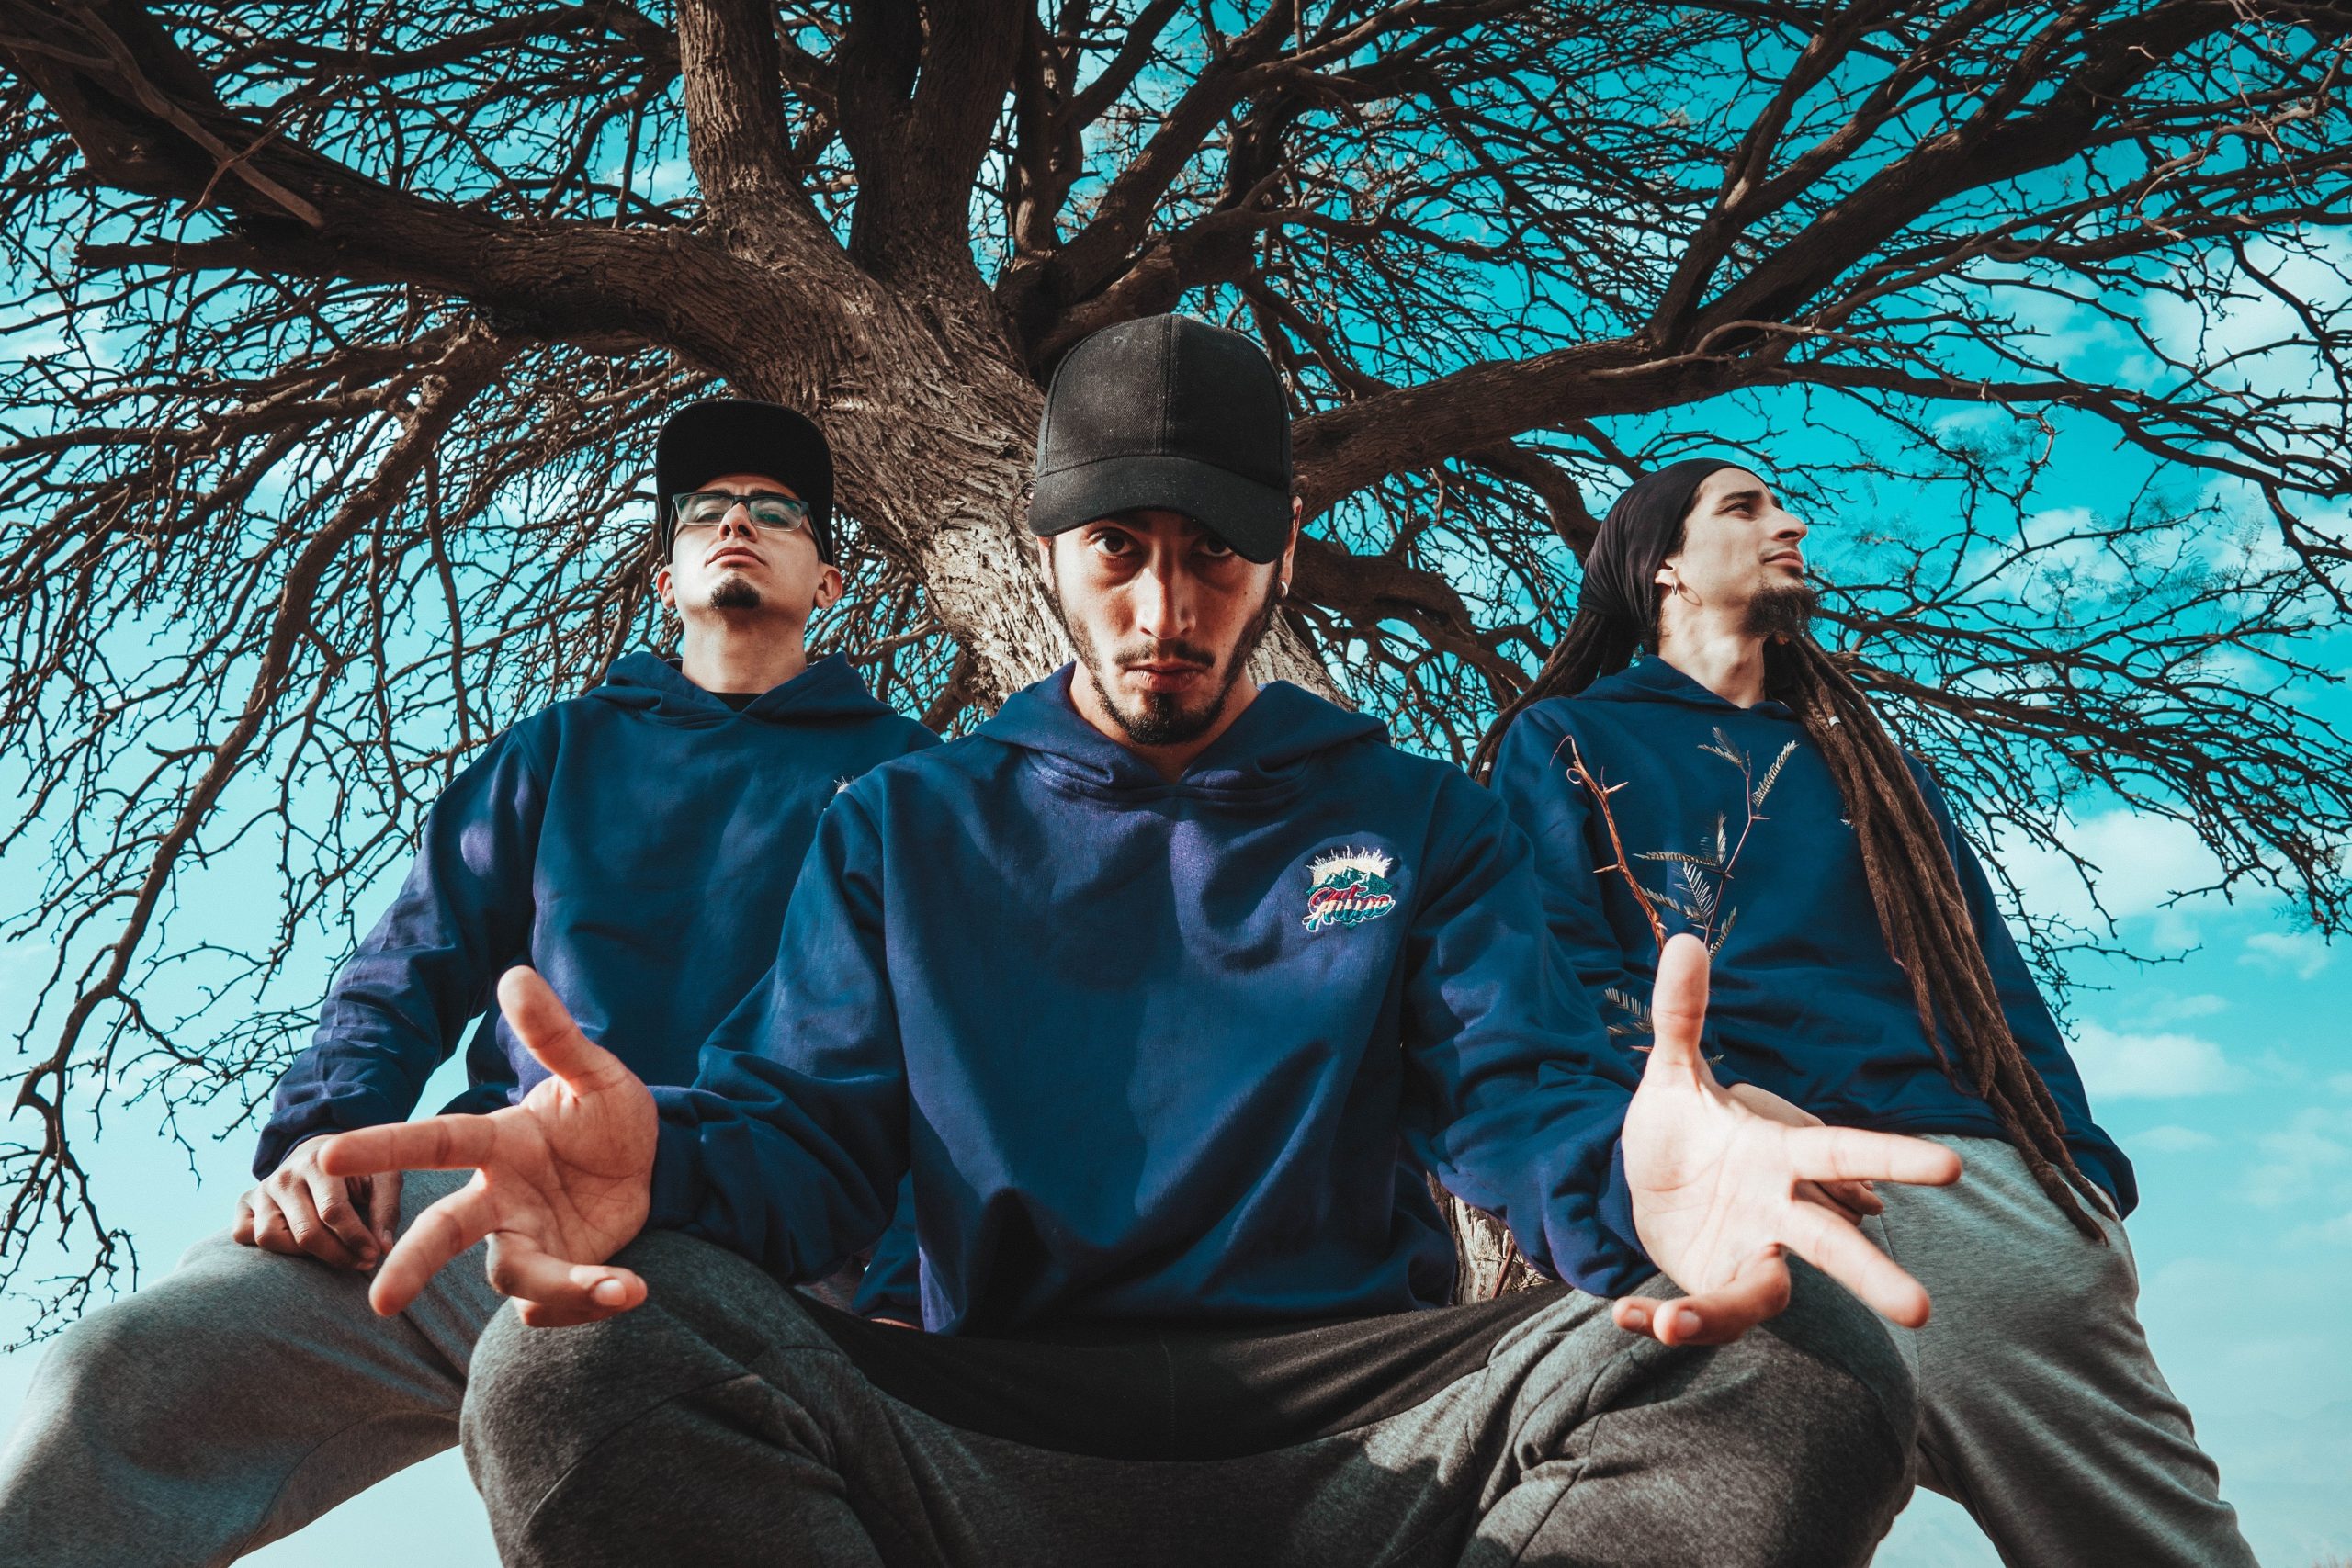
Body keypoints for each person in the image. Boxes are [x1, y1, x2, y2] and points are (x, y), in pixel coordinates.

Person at [324, 317, 1960, 1568]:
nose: (1166, 610)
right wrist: (661, 1163)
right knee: (571, 1363)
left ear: (1282, 552)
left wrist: (1638, 1186)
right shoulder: (904, 824)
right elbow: (806, 1143)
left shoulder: (1416, 817)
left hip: (1368, 1414)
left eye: (1213, 553)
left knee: (1798, 1352)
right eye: (1120, 548)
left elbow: (1516, 1105)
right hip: (986, 1427)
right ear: (1046, 545)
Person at [0, 399, 938, 1567]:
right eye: (705, 509)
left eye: (776, 511)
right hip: (503, 1192)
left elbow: (953, 1059)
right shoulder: (557, 751)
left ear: (829, 582)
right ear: (664, 579)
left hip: (781, 1252)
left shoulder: (910, 782)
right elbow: (410, 960)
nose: (736, 522)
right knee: (125, 1372)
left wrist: (909, 1292)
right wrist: (327, 1137)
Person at [1479, 458, 2257, 1568]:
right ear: (1662, 565)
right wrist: (1675, 1131)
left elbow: (1988, 979)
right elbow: (1556, 970)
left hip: (1970, 1193)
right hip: (1739, 1201)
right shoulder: (1562, 739)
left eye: (1781, 504)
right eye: (1744, 507)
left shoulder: (1875, 767)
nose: (1790, 522)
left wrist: (2080, 1181)